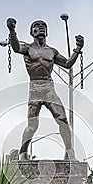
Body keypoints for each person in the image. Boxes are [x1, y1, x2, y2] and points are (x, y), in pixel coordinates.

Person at [6, 18, 84, 161]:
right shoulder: (28, 48)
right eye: (37, 26)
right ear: (32, 31)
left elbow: (67, 64)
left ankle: (69, 152)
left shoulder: (51, 51)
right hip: (35, 89)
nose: (40, 28)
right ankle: (23, 152)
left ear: (46, 31)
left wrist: (78, 49)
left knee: (63, 120)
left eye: (43, 26)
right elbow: (16, 47)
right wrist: (12, 31)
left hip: (49, 89)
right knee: (32, 126)